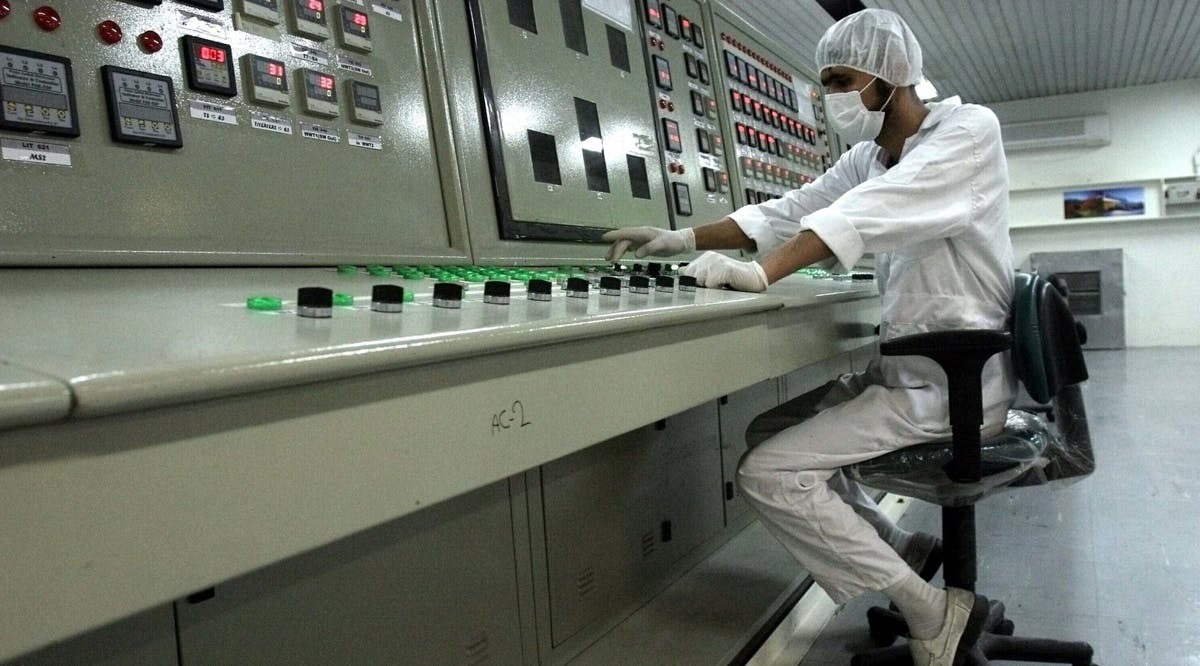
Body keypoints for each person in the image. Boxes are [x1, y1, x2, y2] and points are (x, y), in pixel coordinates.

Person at [603, 8, 1015, 665]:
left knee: (765, 474)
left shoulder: (966, 132)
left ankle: (933, 613)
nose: (832, 97)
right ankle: (900, 551)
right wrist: (677, 238)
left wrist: (761, 274)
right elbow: (790, 211)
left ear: (892, 75)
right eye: (825, 82)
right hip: (909, 371)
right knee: (768, 432)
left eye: (842, 79)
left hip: (953, 382)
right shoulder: (870, 156)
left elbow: (863, 213)